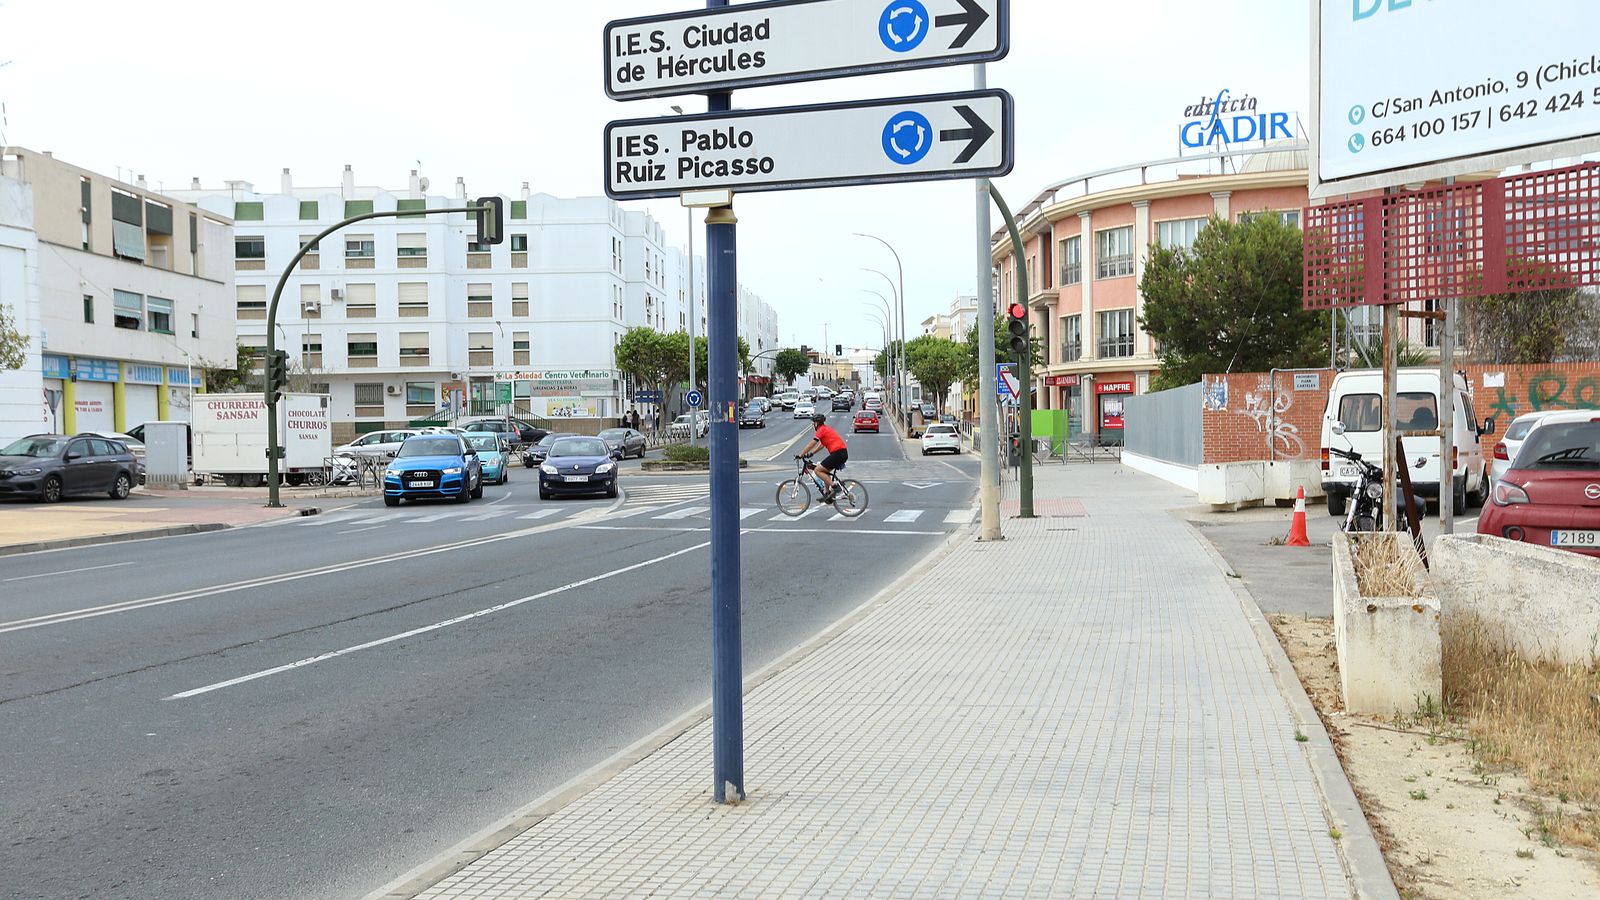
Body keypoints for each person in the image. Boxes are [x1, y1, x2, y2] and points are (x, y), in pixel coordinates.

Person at [797, 413, 848, 500]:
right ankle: (827, 494)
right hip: (841, 453)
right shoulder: (825, 429)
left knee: (817, 470)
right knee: (824, 472)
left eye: (813, 422)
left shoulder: (821, 430)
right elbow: (822, 445)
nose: (813, 424)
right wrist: (812, 453)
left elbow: (812, 443)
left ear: (816, 423)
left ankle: (835, 487)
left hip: (838, 453)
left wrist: (801, 454)